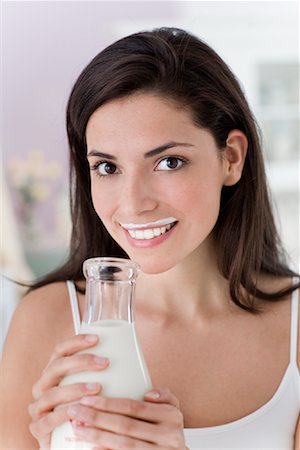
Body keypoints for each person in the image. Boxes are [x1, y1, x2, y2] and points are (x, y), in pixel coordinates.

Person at [0, 27, 299, 449]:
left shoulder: (294, 333)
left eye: (169, 161)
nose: (133, 203)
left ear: (231, 158)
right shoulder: (45, 321)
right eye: (107, 167)